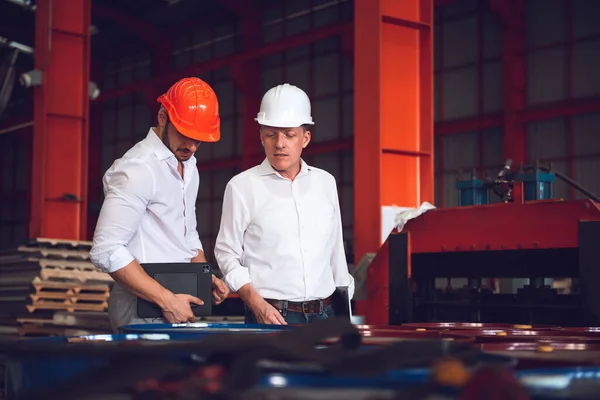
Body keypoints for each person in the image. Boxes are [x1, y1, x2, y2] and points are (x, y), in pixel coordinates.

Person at [90, 77, 230, 332]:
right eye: (185, 134)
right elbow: (106, 249)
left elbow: (187, 233)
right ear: (163, 117)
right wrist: (166, 299)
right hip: (141, 303)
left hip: (178, 299)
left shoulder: (189, 166)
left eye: (199, 140)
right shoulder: (138, 168)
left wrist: (203, 275)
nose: (191, 146)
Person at [214, 83, 354, 325]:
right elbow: (226, 253)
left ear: (305, 138)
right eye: (271, 134)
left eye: (289, 134)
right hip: (271, 316)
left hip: (327, 314)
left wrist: (344, 312)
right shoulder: (242, 187)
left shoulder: (325, 183)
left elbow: (335, 251)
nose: (280, 143)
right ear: (261, 137)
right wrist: (256, 304)